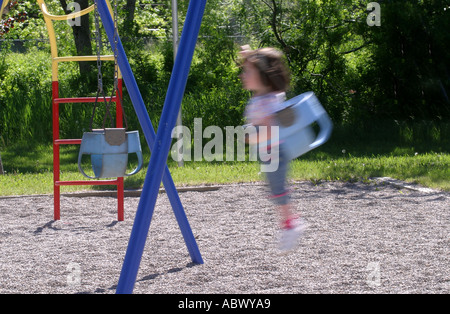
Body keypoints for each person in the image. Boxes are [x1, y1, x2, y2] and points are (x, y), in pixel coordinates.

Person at [239, 45, 307, 251]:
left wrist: (249, 137)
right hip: (271, 152)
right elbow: (262, 65)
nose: (243, 75)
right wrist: (249, 56)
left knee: (278, 190)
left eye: (247, 71)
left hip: (274, 151)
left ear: (262, 76)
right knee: (276, 189)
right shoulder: (264, 96)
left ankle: (291, 226)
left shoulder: (267, 101)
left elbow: (271, 130)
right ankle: (289, 224)